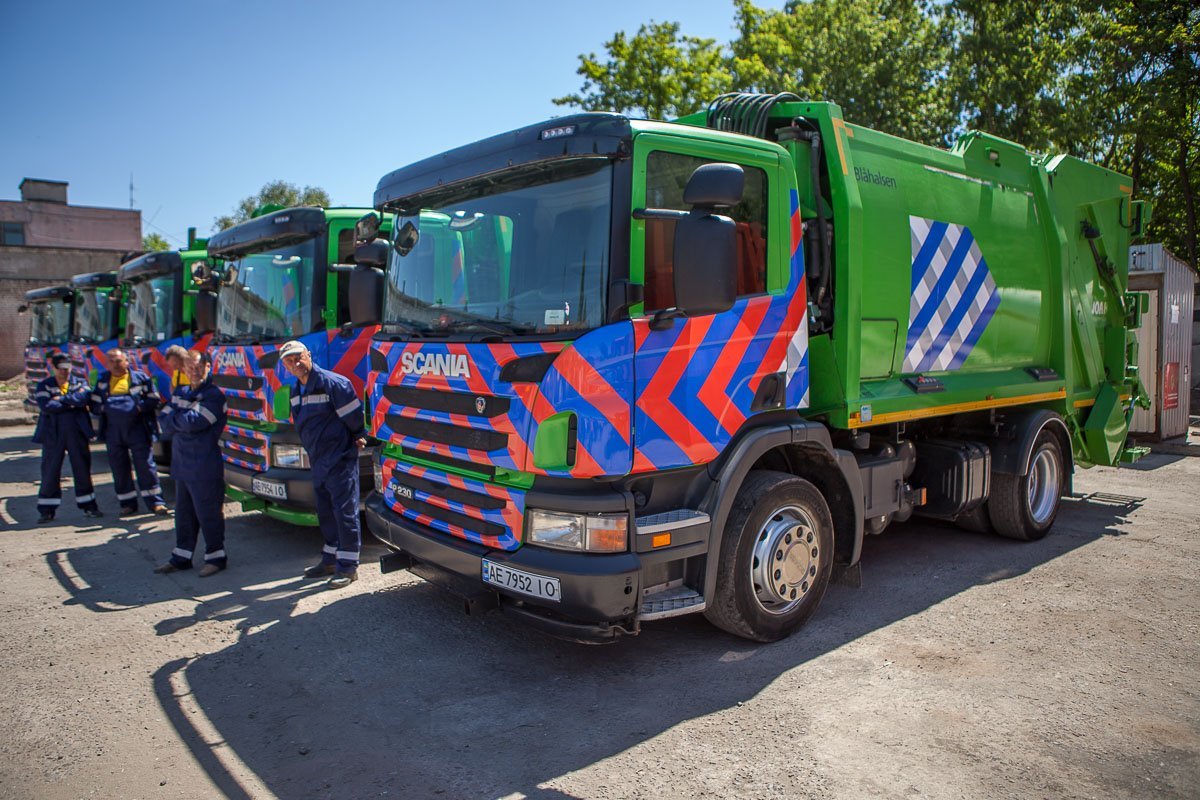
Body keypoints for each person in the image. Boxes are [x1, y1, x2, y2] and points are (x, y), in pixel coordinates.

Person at [279, 340, 366, 589]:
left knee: (344, 511)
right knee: (325, 511)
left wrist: (358, 435)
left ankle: (348, 568)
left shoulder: (333, 383)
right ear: (284, 365)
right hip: (317, 459)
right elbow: (301, 423)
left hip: (339, 458)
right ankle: (330, 559)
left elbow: (354, 418)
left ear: (308, 355)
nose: (295, 363)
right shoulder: (296, 391)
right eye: (289, 360)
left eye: (298, 357)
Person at [155, 351, 228, 576]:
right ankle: (182, 557)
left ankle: (216, 558)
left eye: (198, 367)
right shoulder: (181, 391)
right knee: (184, 514)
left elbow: (193, 423)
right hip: (182, 464)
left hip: (204, 465)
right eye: (189, 368)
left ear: (208, 366)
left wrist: (178, 420)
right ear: (184, 369)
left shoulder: (214, 395)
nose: (194, 372)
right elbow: (163, 420)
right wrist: (180, 421)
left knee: (208, 514)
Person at [89, 348, 168, 517]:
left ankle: (156, 503)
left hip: (138, 429)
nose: (116, 365)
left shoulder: (140, 378)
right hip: (113, 432)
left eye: (119, 361)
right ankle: (128, 504)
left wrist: (138, 407)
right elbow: (94, 406)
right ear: (107, 364)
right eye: (112, 361)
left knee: (146, 466)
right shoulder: (103, 381)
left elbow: (154, 398)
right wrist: (108, 408)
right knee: (119, 468)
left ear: (127, 361)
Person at [33, 353, 103, 523]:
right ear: (53, 368)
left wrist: (62, 400)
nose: (65, 372)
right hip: (53, 433)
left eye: (67, 368)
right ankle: (47, 510)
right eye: (61, 369)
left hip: (76, 432)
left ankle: (89, 506)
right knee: (50, 470)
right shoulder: (45, 385)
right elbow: (47, 405)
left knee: (82, 469)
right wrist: (71, 403)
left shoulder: (80, 382)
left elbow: (83, 399)